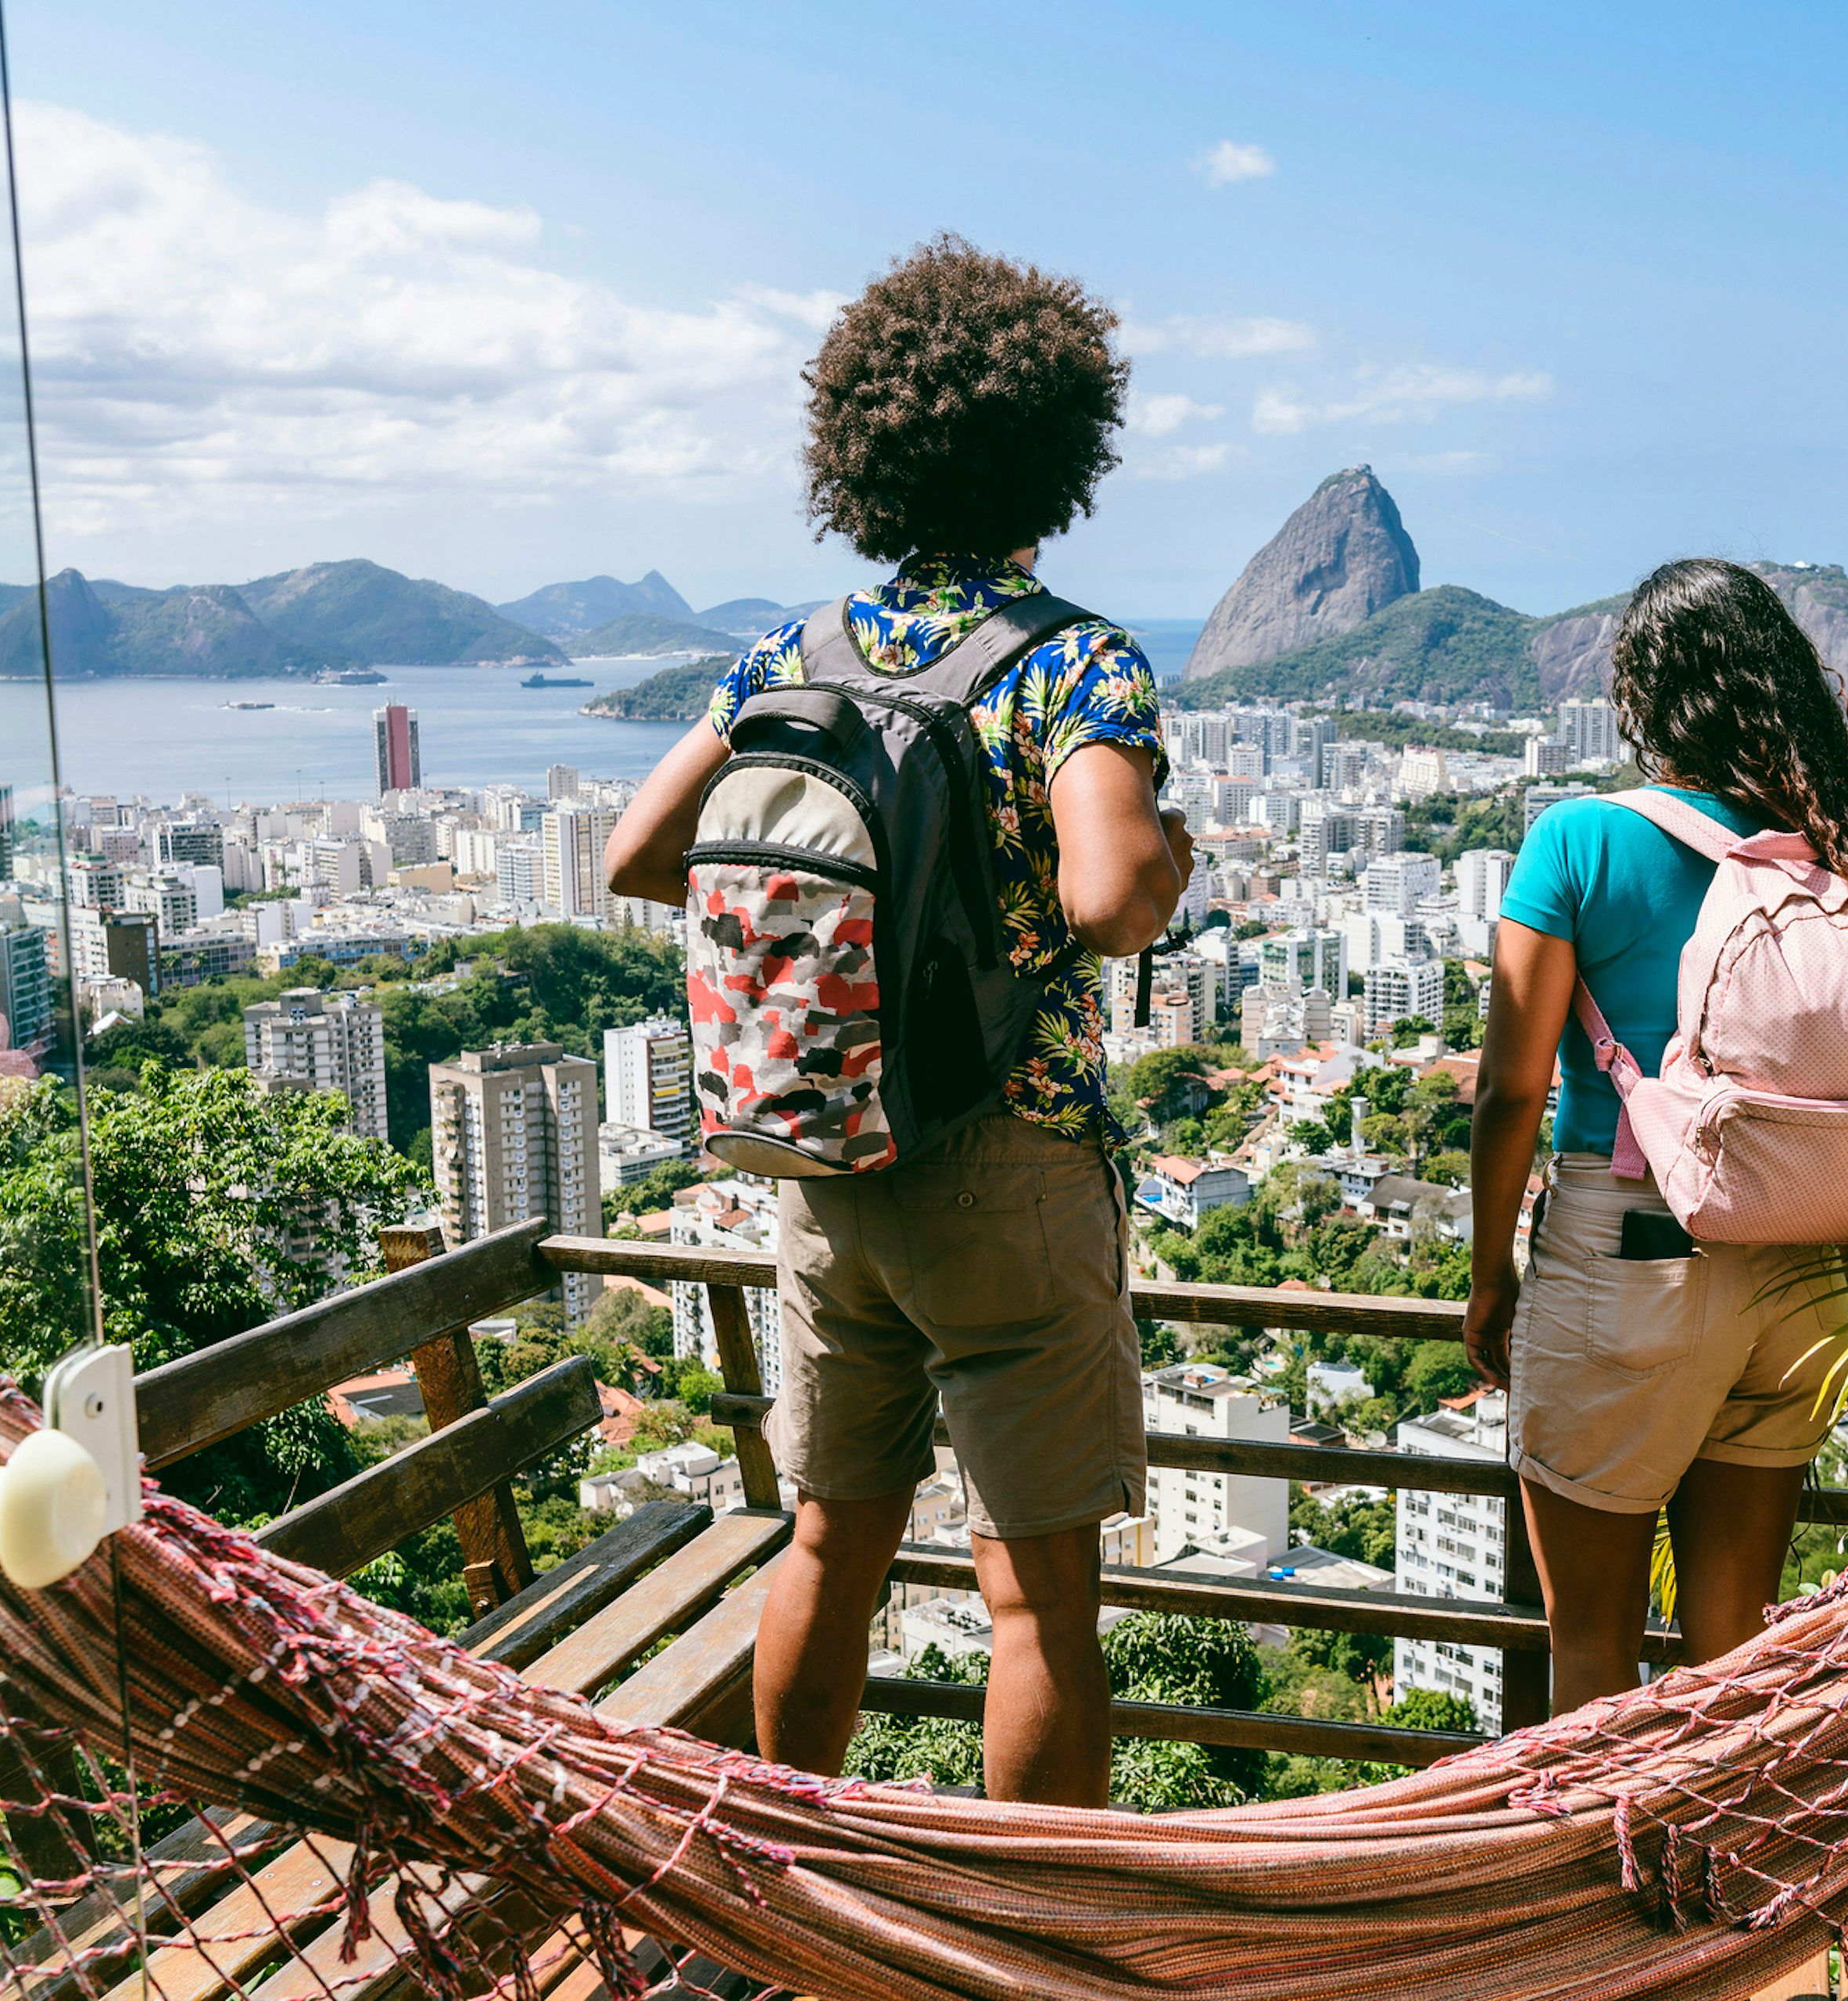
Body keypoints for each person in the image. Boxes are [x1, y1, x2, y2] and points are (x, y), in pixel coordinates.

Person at [605, 236, 1191, 1806]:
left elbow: (636, 855)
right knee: (1040, 1597)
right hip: (1008, 1155)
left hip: (822, 1152)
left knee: (829, 1538)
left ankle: (794, 1890)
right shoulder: (1069, 662)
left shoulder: (790, 656)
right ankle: (1025, 1942)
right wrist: (1160, 863)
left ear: (857, 451)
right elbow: (1111, 890)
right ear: (1056, 453)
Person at [1460, 557, 1848, 1713]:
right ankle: (1717, 1886)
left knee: (1591, 1650)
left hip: (1630, 1252)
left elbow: (1511, 1089)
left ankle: (1597, 1888)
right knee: (1731, 1653)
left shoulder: (1579, 842)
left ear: (1641, 698)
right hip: (1800, 1267)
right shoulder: (1832, 848)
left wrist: (1490, 1277)